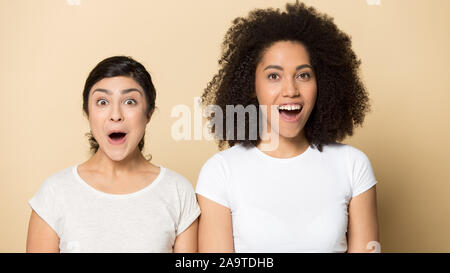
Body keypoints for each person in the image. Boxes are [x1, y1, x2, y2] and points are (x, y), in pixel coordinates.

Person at [196, 1, 379, 253]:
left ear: (322, 83)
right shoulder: (220, 173)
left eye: (303, 75)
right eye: (274, 76)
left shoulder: (352, 165)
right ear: (251, 86)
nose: (291, 90)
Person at [26, 56, 200, 253]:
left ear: (149, 113)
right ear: (87, 113)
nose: (115, 114)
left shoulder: (178, 192)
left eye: (129, 101)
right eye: (102, 102)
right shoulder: (54, 193)